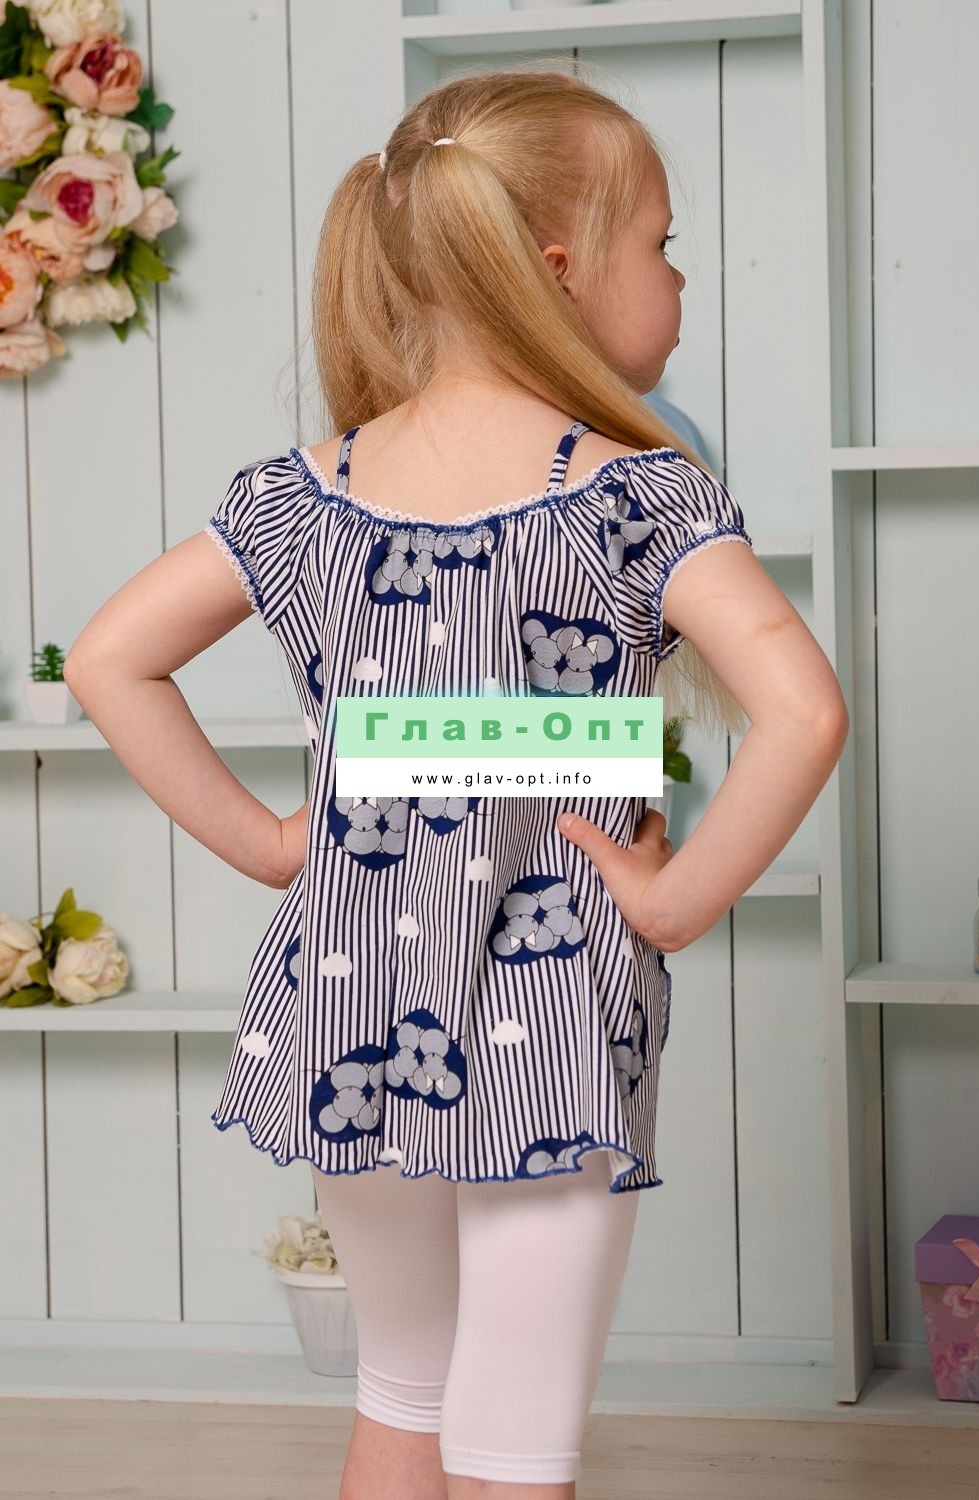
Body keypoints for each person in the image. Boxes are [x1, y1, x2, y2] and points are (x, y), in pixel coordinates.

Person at [64, 62, 849, 1500]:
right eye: (661, 243)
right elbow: (803, 711)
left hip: (352, 995)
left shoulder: (299, 497)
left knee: (402, 1393)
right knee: (516, 1434)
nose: (681, 279)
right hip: (553, 1015)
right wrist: (672, 902)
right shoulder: (642, 496)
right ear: (554, 268)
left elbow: (110, 659)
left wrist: (277, 845)